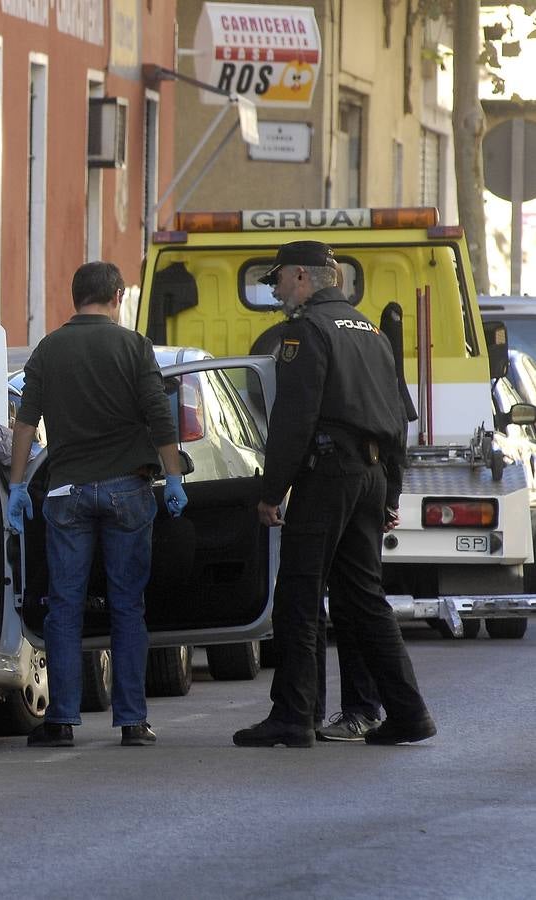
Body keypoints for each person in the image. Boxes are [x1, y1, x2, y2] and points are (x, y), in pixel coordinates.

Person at [233, 240, 436, 748]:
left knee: (298, 596)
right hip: (369, 475)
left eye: (278, 279)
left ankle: (293, 717)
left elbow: (294, 418)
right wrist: (390, 493)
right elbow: (397, 422)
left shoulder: (306, 331)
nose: (276, 289)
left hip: (328, 474)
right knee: (365, 600)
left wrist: (271, 490)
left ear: (302, 276)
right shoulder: (370, 333)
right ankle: (409, 714)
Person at [7, 261, 186, 748]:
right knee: (129, 606)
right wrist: (173, 478)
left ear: (75, 297)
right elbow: (159, 418)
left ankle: (61, 720)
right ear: (116, 297)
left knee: (64, 607)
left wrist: (18, 486)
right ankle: (132, 721)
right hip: (129, 490)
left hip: (67, 494)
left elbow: (25, 424)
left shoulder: (49, 349)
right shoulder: (134, 347)